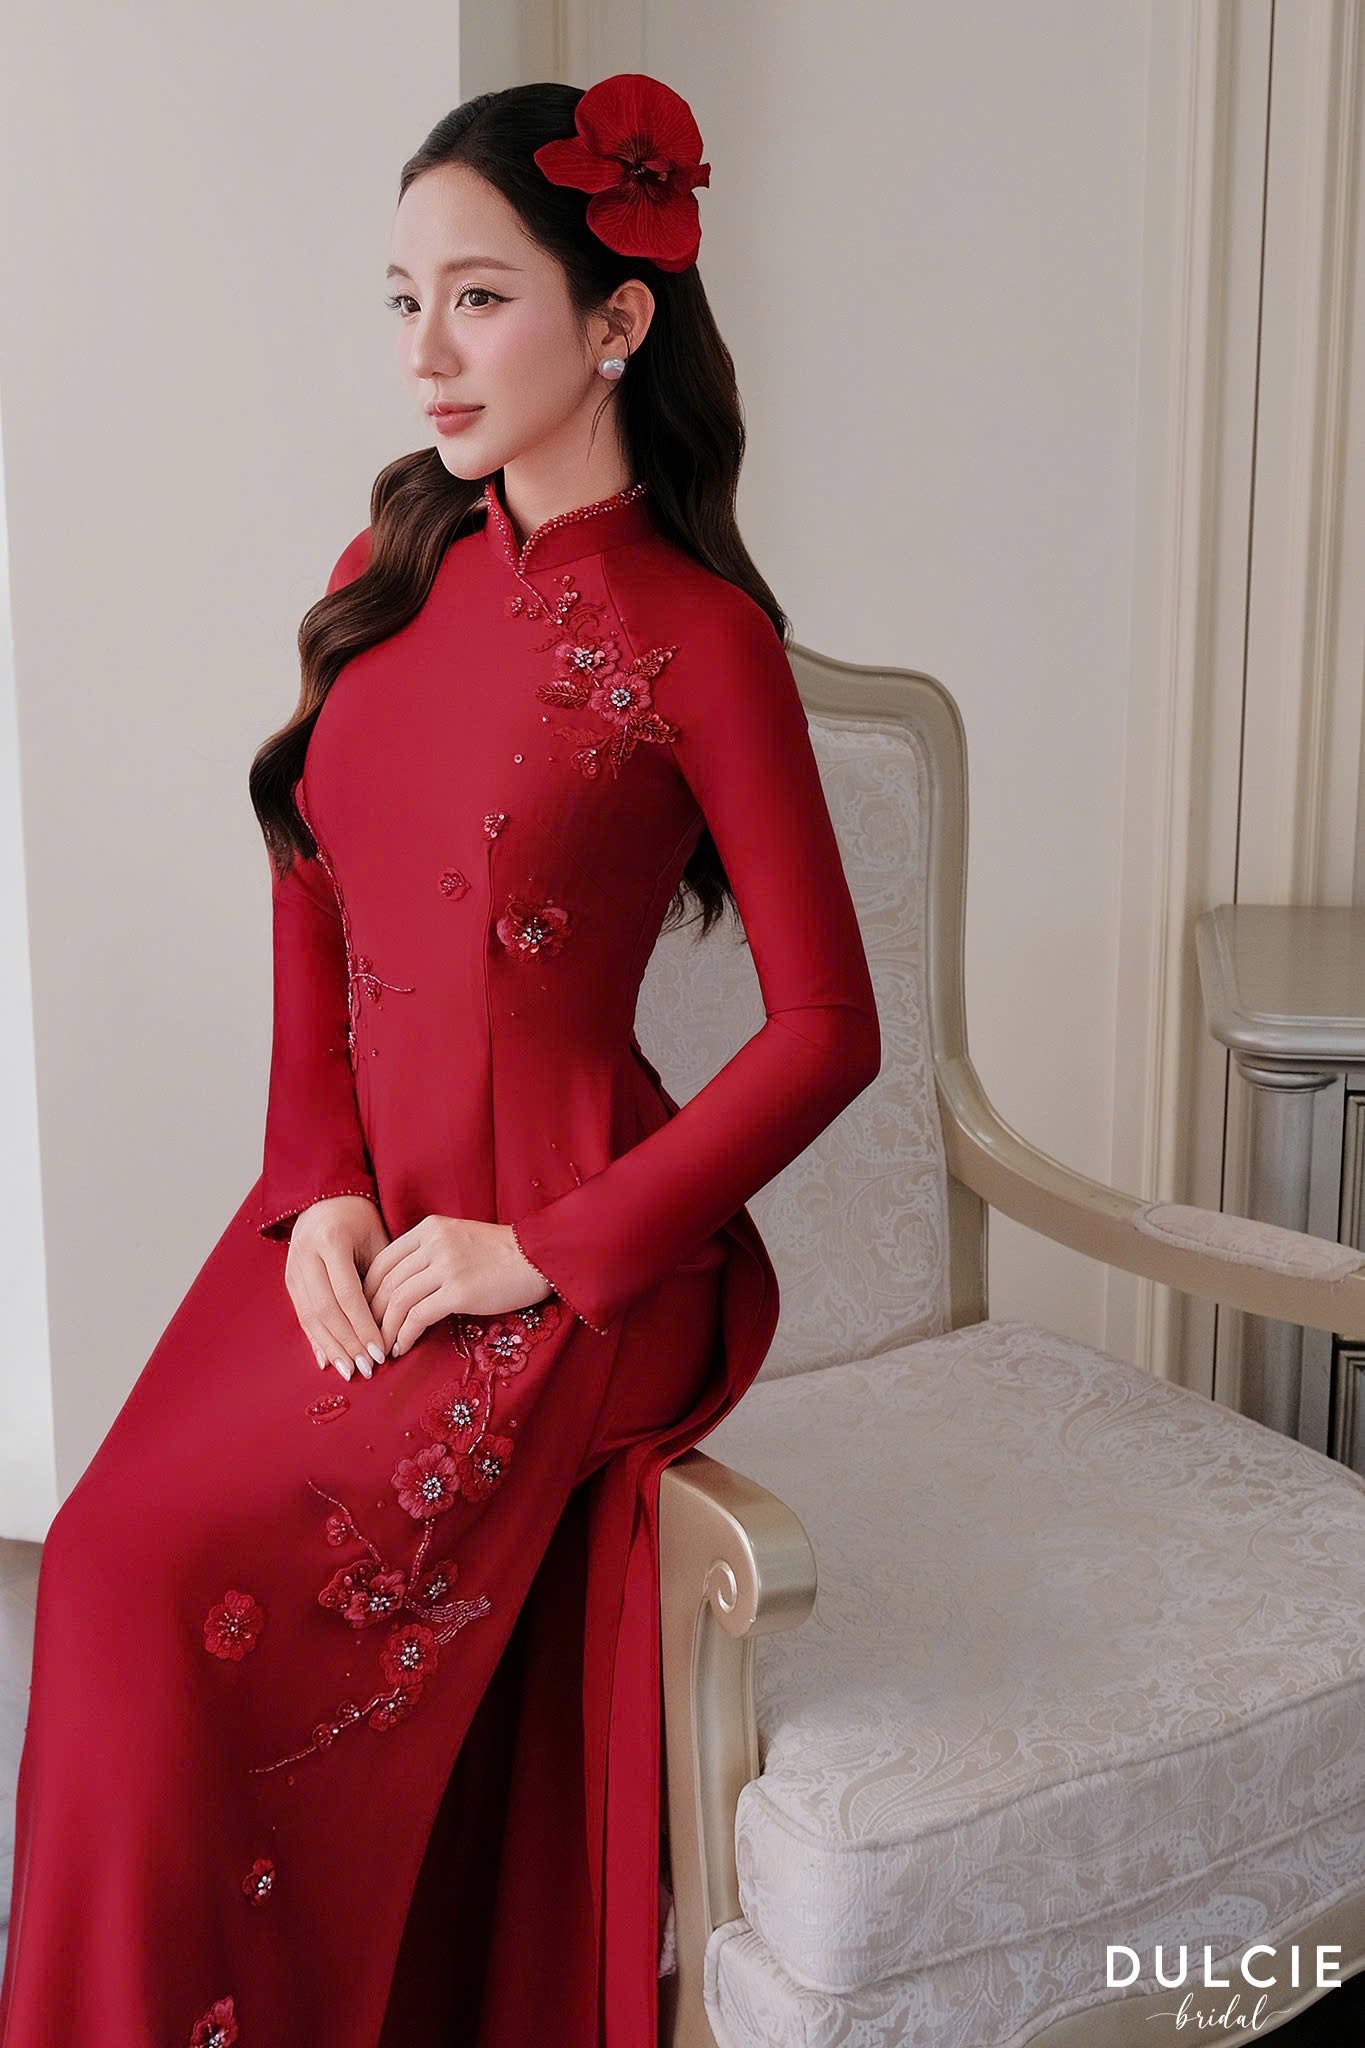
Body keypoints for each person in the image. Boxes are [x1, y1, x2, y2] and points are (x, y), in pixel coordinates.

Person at [0, 71, 880, 2048]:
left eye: (478, 299)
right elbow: (311, 881)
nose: (424, 354)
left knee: (155, 1588)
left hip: (558, 1258)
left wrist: (542, 1250)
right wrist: (312, 1178)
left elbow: (828, 1029)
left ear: (616, 316)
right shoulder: (386, 557)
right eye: (403, 299)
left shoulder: (697, 638)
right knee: (110, 1565)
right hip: (351, 1215)